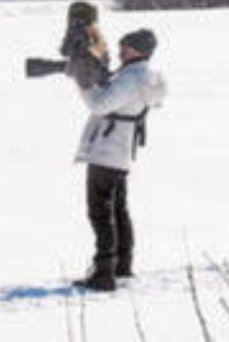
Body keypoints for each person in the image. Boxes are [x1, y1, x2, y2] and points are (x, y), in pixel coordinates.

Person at [70, 28, 167, 292]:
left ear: (139, 50)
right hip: (121, 150)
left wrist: (83, 82)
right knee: (118, 210)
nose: (121, 50)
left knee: (100, 212)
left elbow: (100, 105)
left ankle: (103, 273)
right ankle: (121, 265)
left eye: (126, 46)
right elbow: (116, 101)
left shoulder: (132, 77)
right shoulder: (145, 76)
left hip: (106, 149)